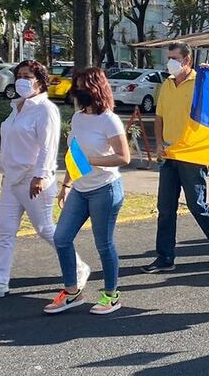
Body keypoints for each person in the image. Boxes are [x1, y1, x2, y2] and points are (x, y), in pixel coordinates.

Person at [0, 60, 90, 300]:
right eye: (19, 75)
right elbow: (9, 144)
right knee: (5, 232)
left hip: (35, 181)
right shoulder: (17, 107)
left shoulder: (46, 109)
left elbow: (48, 146)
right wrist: (4, 171)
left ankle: (78, 267)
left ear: (40, 80)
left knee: (46, 229)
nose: (22, 79)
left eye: (28, 75)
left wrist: (41, 175)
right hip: (12, 180)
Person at [141, 42, 209, 274]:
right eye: (168, 57)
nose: (169, 62)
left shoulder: (200, 83)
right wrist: (159, 142)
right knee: (165, 208)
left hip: (193, 154)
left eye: (174, 58)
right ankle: (165, 257)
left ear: (187, 61)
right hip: (170, 154)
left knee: (196, 204)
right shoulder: (167, 84)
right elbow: (159, 116)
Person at [44, 68, 130, 315]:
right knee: (61, 238)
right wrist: (66, 185)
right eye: (76, 86)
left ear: (96, 89)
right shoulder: (79, 118)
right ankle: (72, 293)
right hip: (80, 189)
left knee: (103, 244)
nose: (77, 92)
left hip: (105, 189)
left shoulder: (109, 120)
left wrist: (93, 160)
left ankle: (111, 296)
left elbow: (124, 157)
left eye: (83, 87)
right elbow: (74, 155)